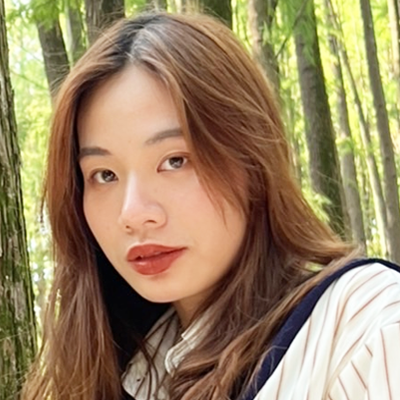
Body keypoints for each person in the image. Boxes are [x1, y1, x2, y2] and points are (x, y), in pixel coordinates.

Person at [22, 11, 400, 400]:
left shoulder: (367, 332)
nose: (132, 214)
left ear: (253, 161)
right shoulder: (124, 367)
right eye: (105, 175)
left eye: (175, 161)